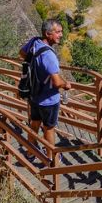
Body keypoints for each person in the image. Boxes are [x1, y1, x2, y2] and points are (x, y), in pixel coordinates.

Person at [19, 19, 72, 147]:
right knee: (49, 128)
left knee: (35, 123)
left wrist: (37, 65)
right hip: (48, 100)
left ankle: (30, 152)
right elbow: (56, 82)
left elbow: (22, 53)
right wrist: (66, 85)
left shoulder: (34, 42)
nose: (61, 35)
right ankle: (50, 158)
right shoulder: (49, 55)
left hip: (34, 95)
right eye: (58, 32)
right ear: (48, 34)